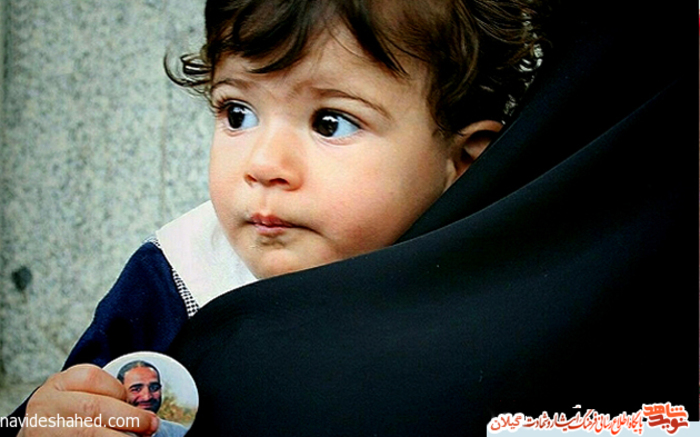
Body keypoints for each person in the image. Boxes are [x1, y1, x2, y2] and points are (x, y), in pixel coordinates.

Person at [8, 0, 547, 435]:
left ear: (464, 162)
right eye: (237, 113)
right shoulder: (177, 275)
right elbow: (68, 410)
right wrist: (43, 424)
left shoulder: (500, 301)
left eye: (331, 122)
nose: (263, 164)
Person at [117, 361, 188, 437]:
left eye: (154, 388)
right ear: (120, 392)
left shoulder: (178, 433)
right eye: (136, 389)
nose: (147, 397)